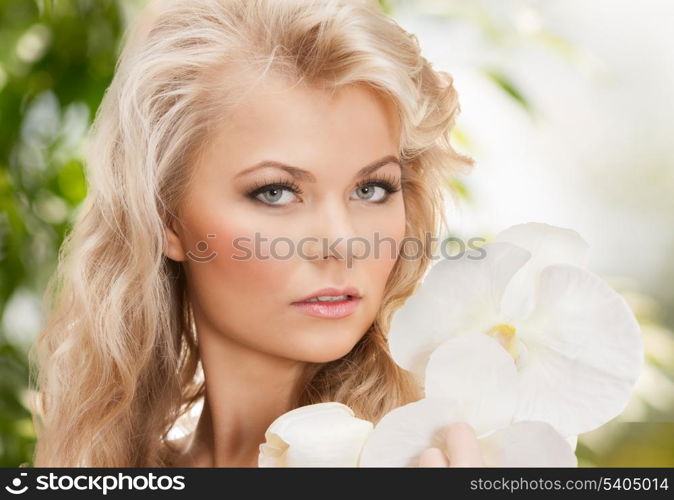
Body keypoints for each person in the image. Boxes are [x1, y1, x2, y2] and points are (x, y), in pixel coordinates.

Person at [30, 0, 478, 467]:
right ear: (165, 218)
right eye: (277, 193)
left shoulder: (453, 454)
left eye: (371, 188)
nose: (344, 244)